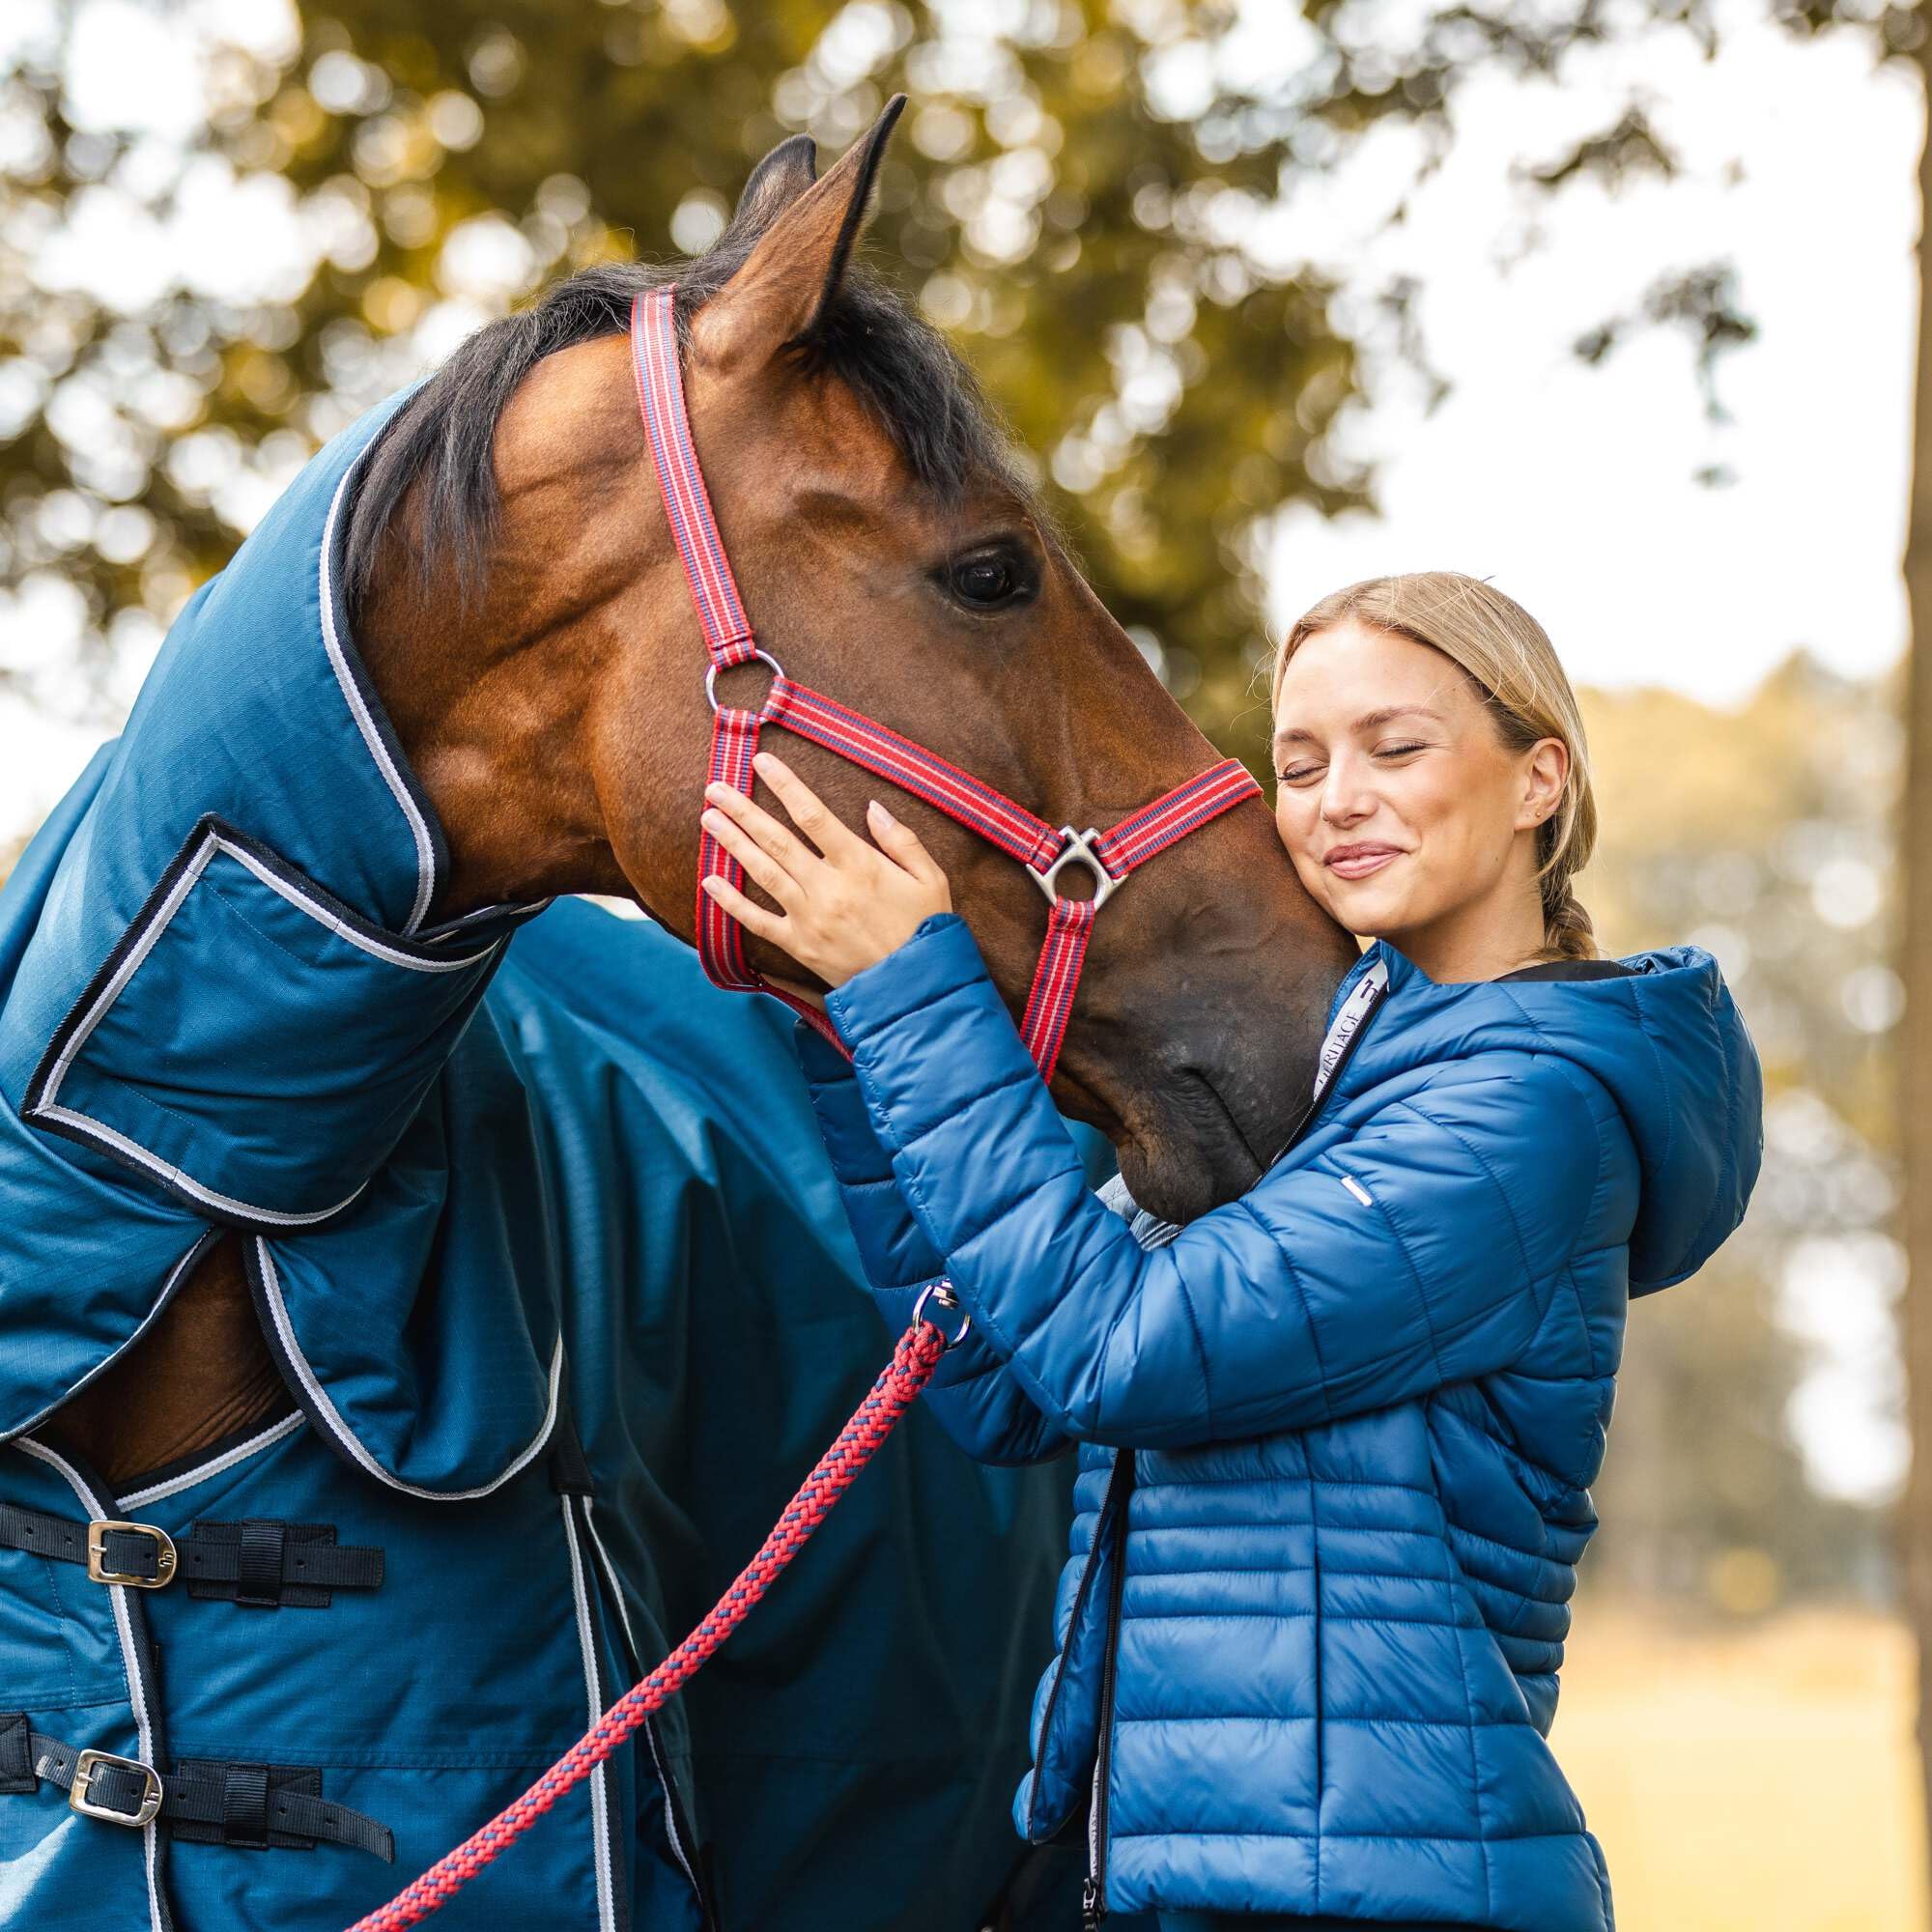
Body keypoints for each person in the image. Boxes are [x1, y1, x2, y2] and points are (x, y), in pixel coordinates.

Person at [694, 569, 1765, 1932]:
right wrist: (852, 1034)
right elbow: (1001, 1381)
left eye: (1395, 748)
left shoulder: (1525, 1114)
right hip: (1200, 1869)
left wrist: (914, 996)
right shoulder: (1317, 1094)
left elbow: (1120, 1349)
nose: (1337, 800)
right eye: (1299, 765)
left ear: (1537, 780)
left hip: (1374, 1891)